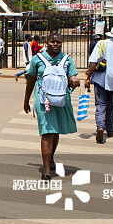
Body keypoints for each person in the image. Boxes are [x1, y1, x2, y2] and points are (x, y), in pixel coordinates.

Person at [23, 32, 80, 179]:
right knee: (47, 131)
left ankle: (51, 157)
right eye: (52, 42)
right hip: (43, 100)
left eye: (58, 42)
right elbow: (31, 80)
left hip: (61, 100)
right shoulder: (38, 59)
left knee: (55, 132)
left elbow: (73, 76)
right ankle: (47, 169)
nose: (55, 44)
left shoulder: (67, 60)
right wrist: (26, 100)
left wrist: (74, 80)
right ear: (47, 42)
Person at [85, 24, 113, 144]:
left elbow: (93, 63)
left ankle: (100, 126)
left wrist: (88, 77)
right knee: (111, 105)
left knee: (100, 104)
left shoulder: (102, 43)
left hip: (100, 79)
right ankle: (110, 129)